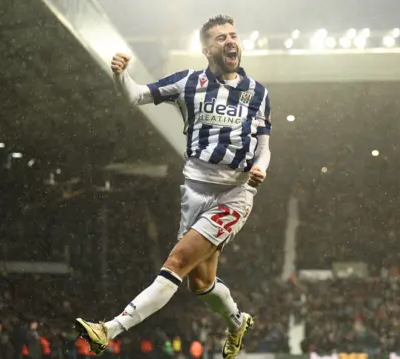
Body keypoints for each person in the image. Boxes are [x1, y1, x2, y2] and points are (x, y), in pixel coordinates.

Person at [75, 14, 272, 359]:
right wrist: (122, 75)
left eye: (234, 35)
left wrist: (259, 167)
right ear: (206, 48)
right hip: (194, 192)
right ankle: (237, 323)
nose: (230, 41)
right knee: (202, 284)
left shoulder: (257, 93)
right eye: (221, 37)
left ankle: (108, 329)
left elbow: (264, 147)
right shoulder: (188, 83)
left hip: (234, 194)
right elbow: (136, 95)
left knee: (177, 262)